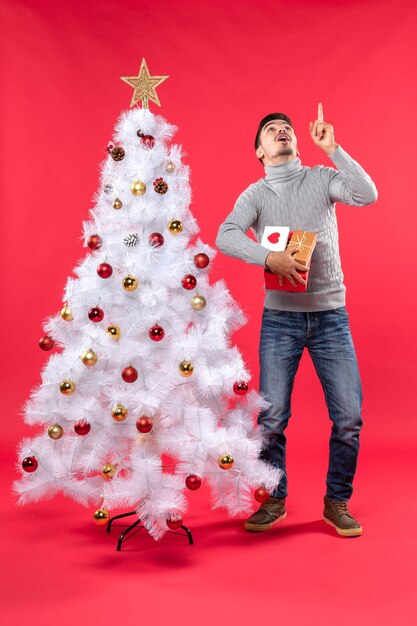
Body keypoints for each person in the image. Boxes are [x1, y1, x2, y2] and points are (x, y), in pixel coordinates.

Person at [215, 104, 378, 537]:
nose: (281, 131)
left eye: (286, 127)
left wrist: (335, 149)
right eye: (271, 130)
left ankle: (336, 501)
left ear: (298, 141)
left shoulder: (323, 178)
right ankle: (275, 499)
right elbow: (226, 234)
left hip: (331, 317)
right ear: (259, 151)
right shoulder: (256, 194)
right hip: (280, 322)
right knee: (272, 418)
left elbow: (368, 194)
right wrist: (268, 257)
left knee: (349, 418)